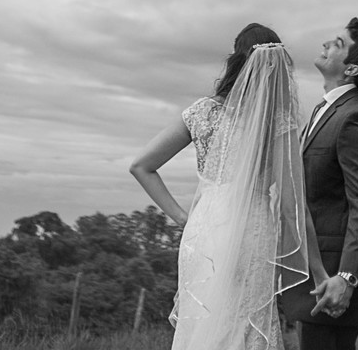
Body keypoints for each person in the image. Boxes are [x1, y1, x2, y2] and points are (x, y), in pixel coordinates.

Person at [130, 22, 328, 349]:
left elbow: (141, 166)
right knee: (243, 321)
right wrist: (319, 271)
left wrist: (182, 218)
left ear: (237, 59)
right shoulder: (276, 121)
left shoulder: (202, 112)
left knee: (205, 318)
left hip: (205, 227)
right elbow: (293, 205)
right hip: (251, 227)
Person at [284, 17, 358, 350]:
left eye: (338, 44)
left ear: (352, 69)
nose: (327, 44)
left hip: (332, 277)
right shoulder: (324, 110)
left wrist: (347, 278)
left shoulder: (355, 117)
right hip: (311, 270)